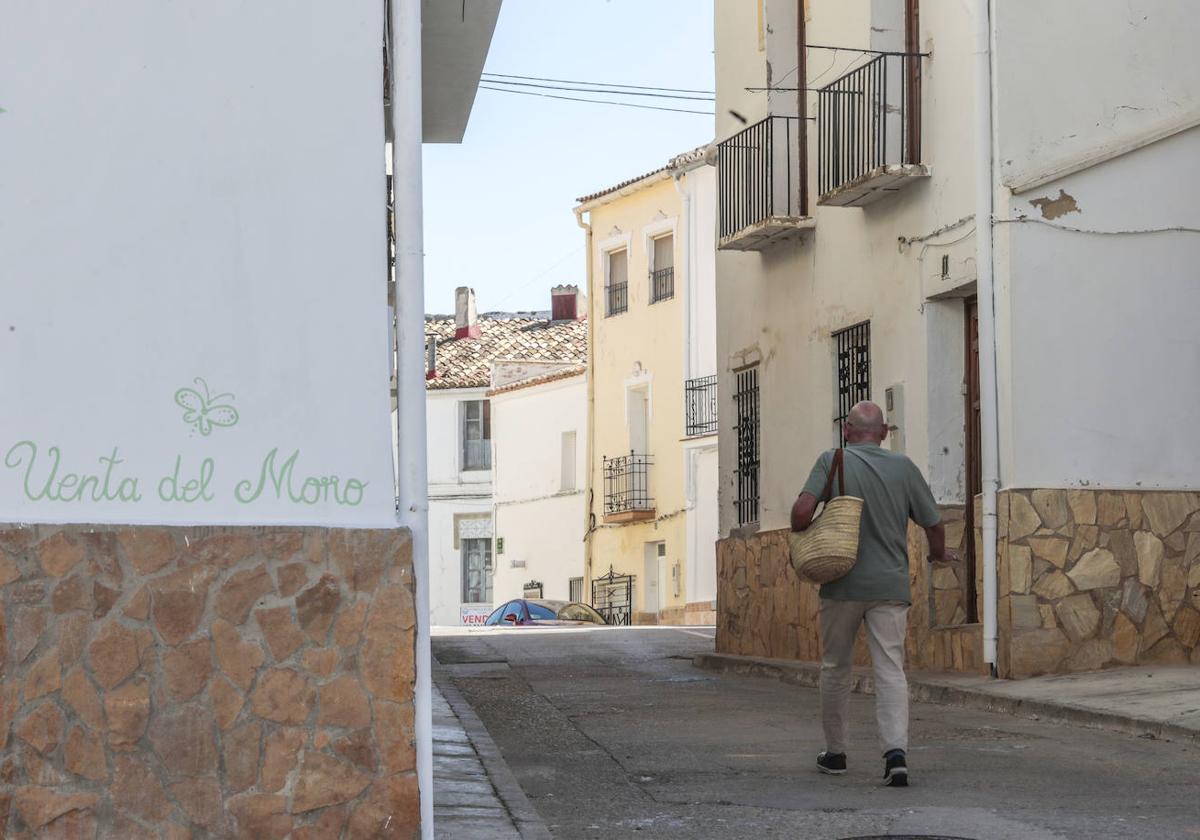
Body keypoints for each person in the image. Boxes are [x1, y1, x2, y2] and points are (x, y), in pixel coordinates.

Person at [790, 401, 958, 787]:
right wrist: (936, 554)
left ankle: (835, 754)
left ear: (847, 431)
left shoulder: (832, 461)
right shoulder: (903, 467)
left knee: (835, 667)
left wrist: (813, 517)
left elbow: (801, 513)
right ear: (884, 433)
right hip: (890, 587)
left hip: (841, 584)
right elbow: (933, 525)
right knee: (890, 669)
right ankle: (895, 754)